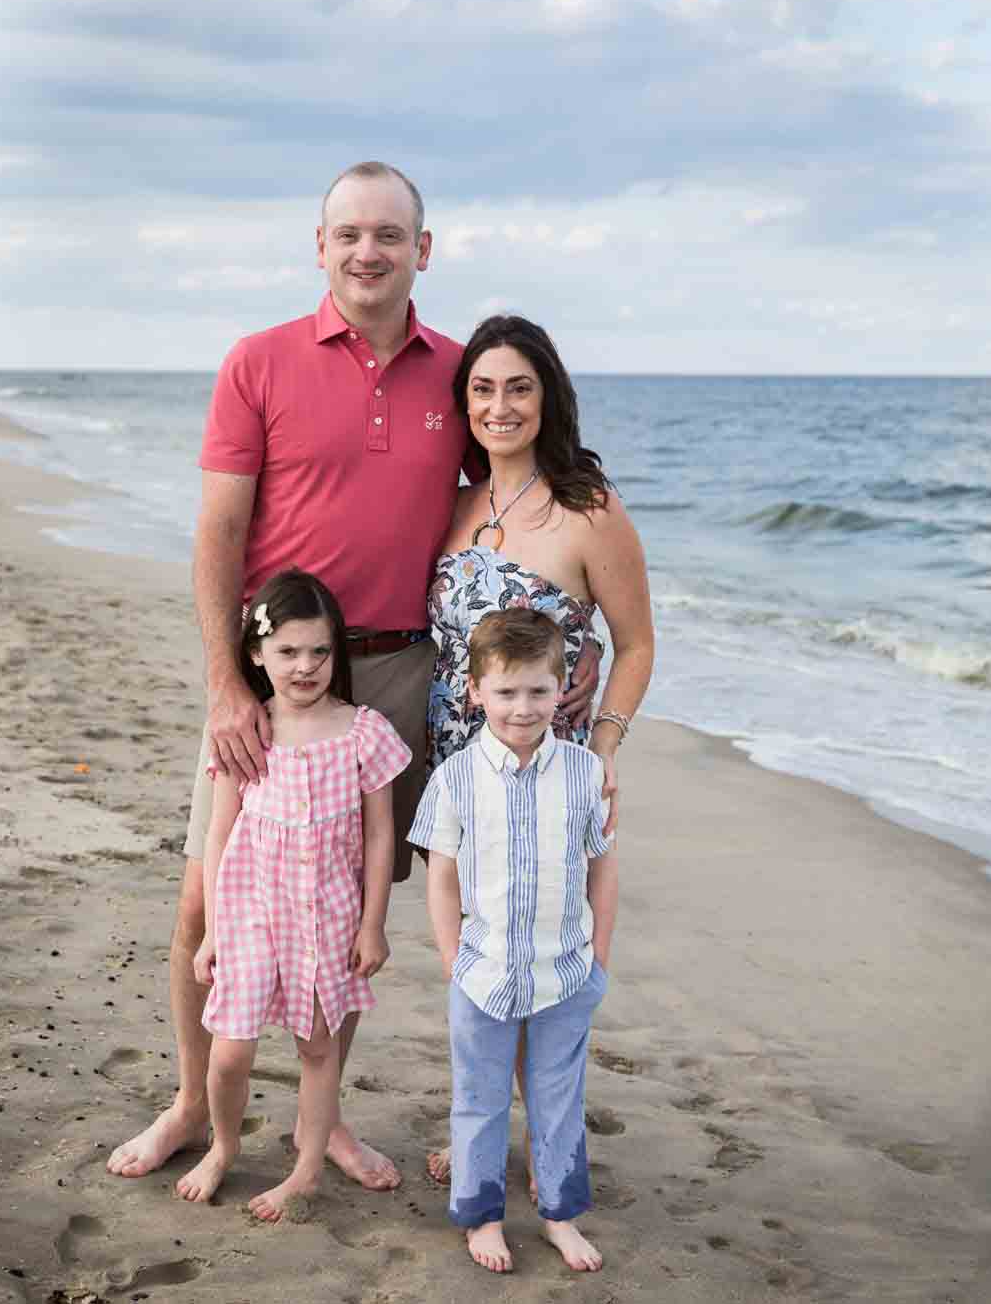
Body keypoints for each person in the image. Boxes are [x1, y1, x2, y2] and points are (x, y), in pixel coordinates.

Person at [107, 162, 600, 1188]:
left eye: (389, 234)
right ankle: (194, 1101)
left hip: (398, 678)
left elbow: (509, 501)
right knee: (205, 899)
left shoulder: (457, 371)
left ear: (423, 249)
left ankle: (320, 1120)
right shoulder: (258, 362)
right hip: (271, 679)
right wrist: (221, 681)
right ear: (318, 246)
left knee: (340, 909)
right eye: (348, 234)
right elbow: (219, 531)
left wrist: (575, 628)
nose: (366, 252)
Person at [423, 312, 655, 1184]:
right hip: (461, 770)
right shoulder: (451, 502)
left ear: (547, 395)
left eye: (519, 386)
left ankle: (545, 1139)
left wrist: (602, 752)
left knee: (551, 955)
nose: (499, 405)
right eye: (482, 388)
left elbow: (636, 643)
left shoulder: (589, 508)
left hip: (554, 775)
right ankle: (484, 1129)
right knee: (478, 953)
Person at [175, 569, 411, 1219]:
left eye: (319, 651)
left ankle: (306, 1167)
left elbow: (380, 836)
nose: (305, 666)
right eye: (287, 651)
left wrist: (372, 925)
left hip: (328, 919)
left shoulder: (363, 732)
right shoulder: (247, 734)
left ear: (337, 652)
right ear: (256, 653)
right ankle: (222, 1145)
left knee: (317, 1048)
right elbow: (220, 835)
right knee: (229, 1053)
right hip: (252, 915)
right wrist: (217, 932)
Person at [412, 608, 619, 1274]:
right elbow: (442, 875)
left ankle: (560, 1215)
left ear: (562, 689)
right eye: (506, 692)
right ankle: (483, 1215)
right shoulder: (456, 780)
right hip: (483, 972)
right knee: (480, 1097)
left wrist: (600, 960)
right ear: (475, 691)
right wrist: (451, 957)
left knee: (559, 1097)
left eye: (537, 691)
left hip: (566, 971)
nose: (522, 707)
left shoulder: (587, 775)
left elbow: (602, 865)